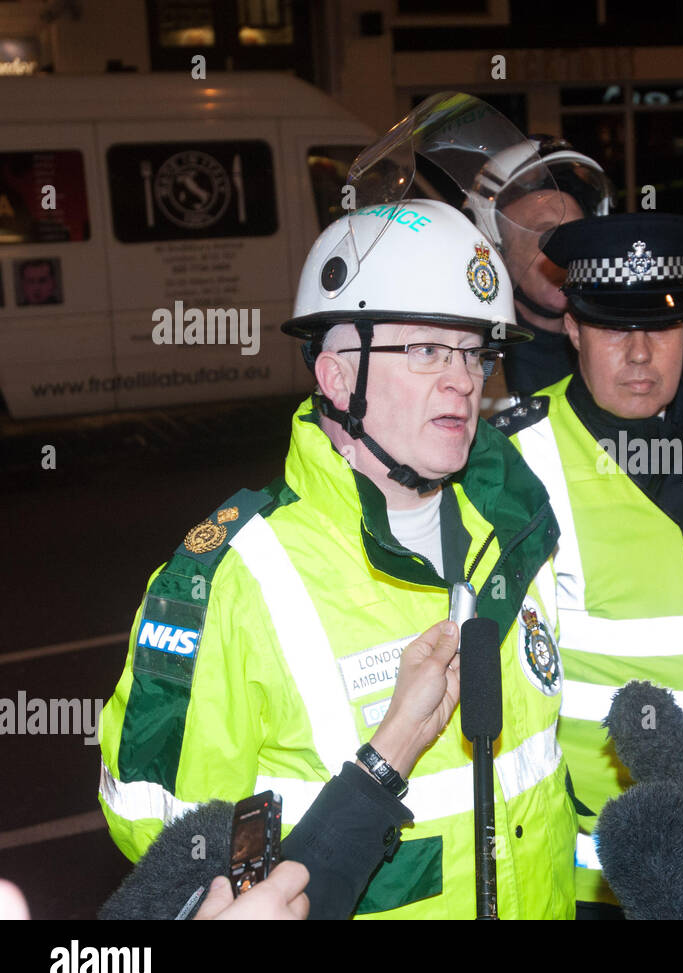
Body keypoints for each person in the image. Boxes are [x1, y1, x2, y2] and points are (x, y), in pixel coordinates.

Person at [98, 198, 577, 918]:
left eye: (475, 352)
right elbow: (162, 837)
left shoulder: (511, 528)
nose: (463, 380)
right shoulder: (231, 578)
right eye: (424, 350)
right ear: (335, 376)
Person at [490, 213, 683, 916]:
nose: (641, 354)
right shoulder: (520, 460)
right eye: (615, 328)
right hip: (604, 854)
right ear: (573, 328)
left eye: (661, 326)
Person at [466, 136, 615, 396]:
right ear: (495, 248)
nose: (567, 250)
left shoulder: (621, 348)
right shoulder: (468, 360)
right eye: (548, 234)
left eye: (576, 233)